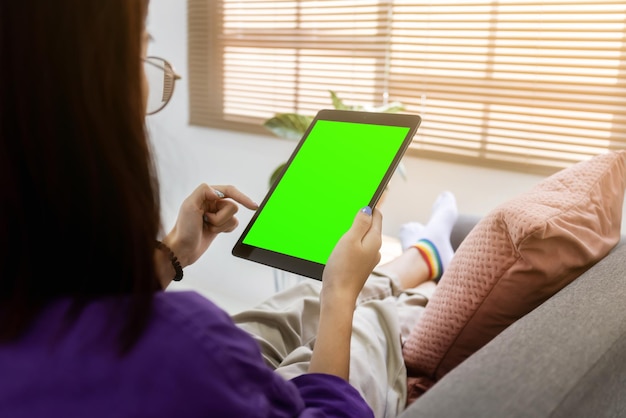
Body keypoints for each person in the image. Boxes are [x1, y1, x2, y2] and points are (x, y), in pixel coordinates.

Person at [0, 1, 458, 417]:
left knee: (293, 305)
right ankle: (422, 263)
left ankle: (418, 256)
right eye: (143, 52)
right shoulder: (182, 343)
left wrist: (171, 254)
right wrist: (340, 298)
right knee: (364, 322)